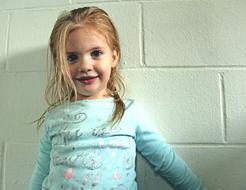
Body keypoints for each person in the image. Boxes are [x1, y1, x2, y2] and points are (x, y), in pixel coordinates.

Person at [29, 6, 206, 190]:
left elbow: (166, 160)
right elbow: (41, 171)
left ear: (114, 57)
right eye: (72, 57)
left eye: (96, 53)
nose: (85, 65)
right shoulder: (55, 116)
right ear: (59, 64)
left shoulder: (129, 113)